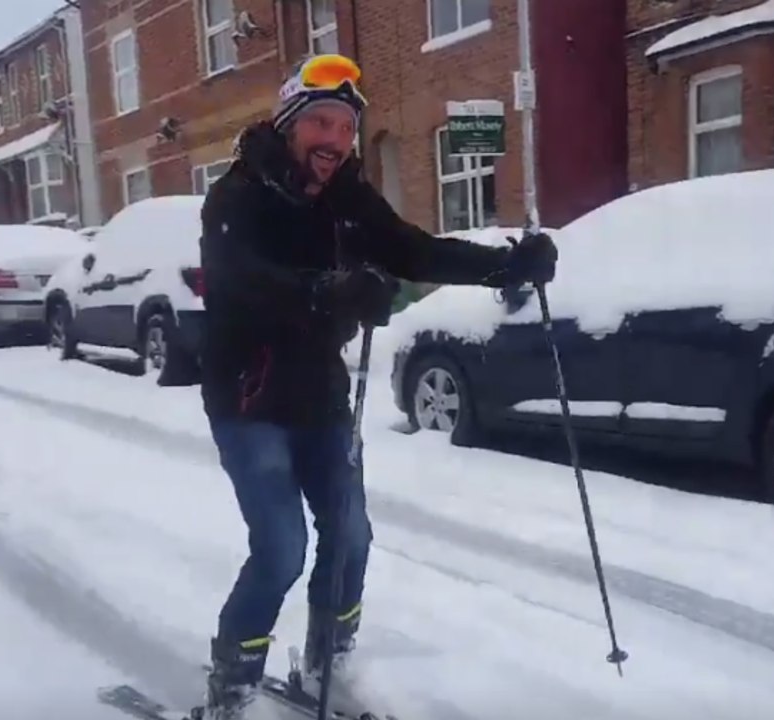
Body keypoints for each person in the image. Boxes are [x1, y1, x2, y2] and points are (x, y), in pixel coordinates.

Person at [198, 53, 557, 719]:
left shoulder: (347, 197)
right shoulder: (236, 196)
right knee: (281, 548)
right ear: (289, 124)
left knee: (351, 536)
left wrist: (505, 265)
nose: (335, 140)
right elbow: (243, 279)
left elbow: (413, 251)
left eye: (345, 128)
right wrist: (327, 289)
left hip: (320, 396)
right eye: (322, 123)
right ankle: (234, 684)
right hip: (248, 397)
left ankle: (325, 660)